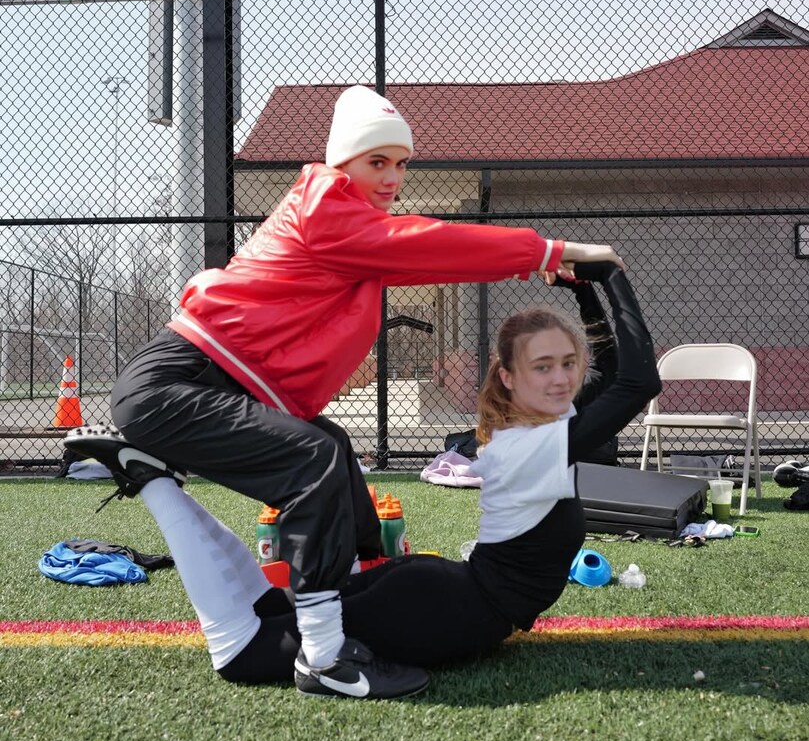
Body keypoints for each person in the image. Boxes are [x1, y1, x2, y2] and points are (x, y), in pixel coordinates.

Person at [65, 85, 626, 700]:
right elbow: (428, 243)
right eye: (376, 161)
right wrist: (550, 250)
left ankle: (356, 581)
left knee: (329, 445)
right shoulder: (326, 206)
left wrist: (531, 262)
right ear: (342, 163)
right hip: (175, 385)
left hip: (197, 385)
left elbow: (414, 261)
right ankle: (326, 657)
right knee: (316, 460)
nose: (392, 177)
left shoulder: (350, 231)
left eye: (401, 163)